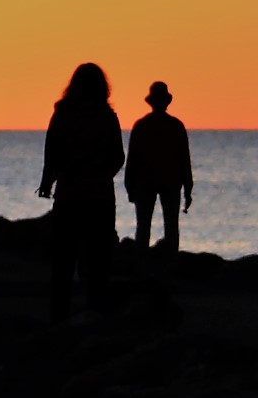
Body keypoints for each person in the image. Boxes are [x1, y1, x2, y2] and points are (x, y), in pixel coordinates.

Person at [36, 63, 124, 323]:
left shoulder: (63, 114)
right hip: (100, 196)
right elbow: (118, 156)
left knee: (63, 259)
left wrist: (48, 181)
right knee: (99, 259)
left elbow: (51, 150)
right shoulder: (107, 116)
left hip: (69, 194)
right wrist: (102, 174)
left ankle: (59, 316)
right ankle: (96, 311)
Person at [125, 81, 193, 251]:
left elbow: (132, 159)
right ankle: (169, 260)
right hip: (168, 182)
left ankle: (142, 261)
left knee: (144, 226)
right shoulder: (176, 126)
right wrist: (188, 188)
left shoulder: (141, 125)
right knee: (171, 226)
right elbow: (184, 160)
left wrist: (130, 186)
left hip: (146, 183)